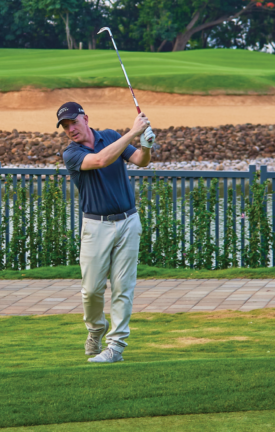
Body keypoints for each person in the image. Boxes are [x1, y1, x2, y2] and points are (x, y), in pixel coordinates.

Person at [59, 101, 154, 363]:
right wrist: (133, 132)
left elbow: (141, 161)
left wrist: (146, 144)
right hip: (95, 225)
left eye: (73, 122)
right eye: (65, 126)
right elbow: (101, 160)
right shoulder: (71, 153)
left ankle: (116, 347)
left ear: (86, 118)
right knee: (91, 290)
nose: (70, 129)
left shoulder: (111, 136)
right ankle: (95, 329)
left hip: (128, 221)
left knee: (123, 287)